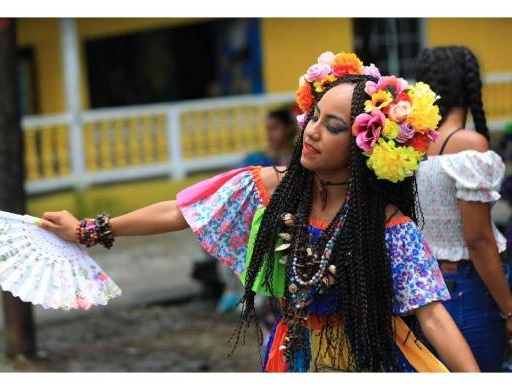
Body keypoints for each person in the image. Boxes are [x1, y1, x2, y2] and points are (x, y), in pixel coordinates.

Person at [38, 51, 479, 372]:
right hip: (292, 357)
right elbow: (181, 210)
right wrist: (88, 230)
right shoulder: (272, 187)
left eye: (335, 126)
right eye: (315, 117)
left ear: (369, 148)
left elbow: (432, 315)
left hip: (369, 361)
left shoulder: (388, 228)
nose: (313, 132)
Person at [415, 45, 512, 372]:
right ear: (469, 86)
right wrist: (509, 310)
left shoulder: (408, 145)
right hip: (468, 291)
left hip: (426, 294)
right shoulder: (467, 145)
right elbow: (478, 240)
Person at [217, 107, 297, 315]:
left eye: (275, 128)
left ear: (290, 128)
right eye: (268, 129)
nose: (270, 134)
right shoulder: (258, 158)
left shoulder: (301, 158)